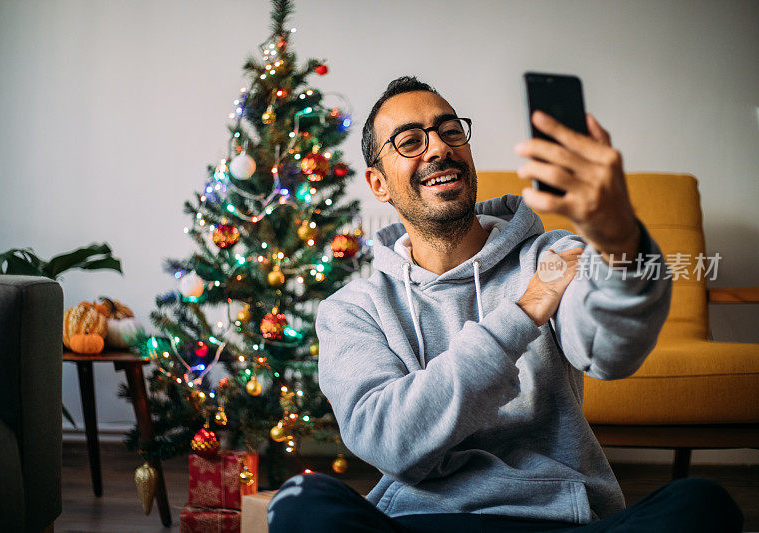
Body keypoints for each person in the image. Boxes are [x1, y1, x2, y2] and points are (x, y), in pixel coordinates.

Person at [268, 76, 744, 532]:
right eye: (410, 141)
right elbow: (389, 440)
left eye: (450, 131)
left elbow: (611, 351)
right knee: (299, 502)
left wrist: (619, 235)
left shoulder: (555, 255)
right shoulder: (354, 308)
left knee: (702, 503)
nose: (438, 147)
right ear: (379, 185)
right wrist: (524, 312)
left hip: (558, 518)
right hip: (421, 521)